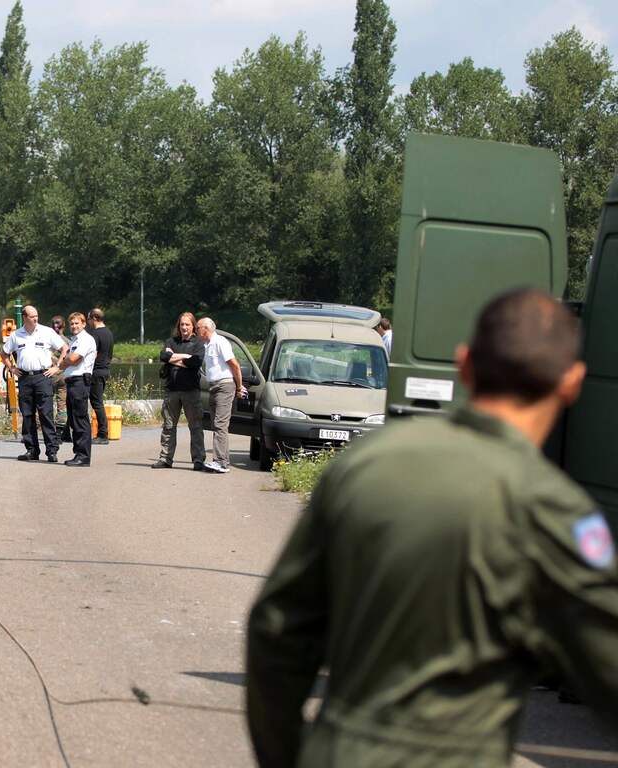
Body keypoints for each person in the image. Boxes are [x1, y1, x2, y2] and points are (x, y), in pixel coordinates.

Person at [246, 288, 618, 768]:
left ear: (465, 365)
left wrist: (290, 757)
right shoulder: (555, 509)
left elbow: (277, 632)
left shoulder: (364, 465)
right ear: (572, 383)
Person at [0, 305, 66, 463]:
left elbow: (64, 348)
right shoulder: (16, 335)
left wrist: (57, 367)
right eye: (32, 316)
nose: (36, 319)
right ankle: (32, 450)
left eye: (37, 315)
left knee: (46, 414)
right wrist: (11, 368)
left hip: (42, 376)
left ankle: (51, 451)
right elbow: (4, 353)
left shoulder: (46, 332)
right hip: (24, 378)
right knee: (28, 415)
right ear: (24, 318)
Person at [153, 312, 207, 470]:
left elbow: (195, 362)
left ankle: (198, 460)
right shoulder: (171, 341)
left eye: (187, 324)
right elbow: (164, 356)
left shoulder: (198, 343)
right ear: (179, 326)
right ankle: (165, 459)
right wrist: (184, 357)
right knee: (168, 426)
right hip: (172, 391)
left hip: (191, 391)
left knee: (195, 426)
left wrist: (174, 357)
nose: (184, 327)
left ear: (193, 326)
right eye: (182, 324)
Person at [196, 317, 247, 474]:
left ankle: (221, 462)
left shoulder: (220, 342)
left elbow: (234, 365)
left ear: (206, 329)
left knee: (220, 424)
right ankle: (220, 460)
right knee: (216, 424)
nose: (196, 331)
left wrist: (239, 387)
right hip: (214, 386)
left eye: (197, 328)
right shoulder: (207, 344)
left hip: (224, 385)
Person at [57, 312, 97, 467]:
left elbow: (73, 359)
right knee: (74, 420)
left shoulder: (86, 339)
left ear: (84, 324)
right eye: (72, 323)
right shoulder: (75, 341)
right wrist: (67, 360)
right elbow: (70, 360)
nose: (74, 326)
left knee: (80, 420)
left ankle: (83, 456)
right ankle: (78, 453)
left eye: (77, 323)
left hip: (80, 382)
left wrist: (66, 361)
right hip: (72, 382)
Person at [87, 308, 114, 445]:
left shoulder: (95, 334)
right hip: (105, 370)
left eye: (89, 319)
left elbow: (93, 353)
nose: (88, 322)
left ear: (94, 318)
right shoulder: (109, 333)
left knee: (97, 403)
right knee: (96, 401)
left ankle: (103, 434)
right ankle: (68, 431)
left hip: (96, 371)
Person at [50, 315, 69, 441]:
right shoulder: (68, 340)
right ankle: (60, 432)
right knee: (62, 404)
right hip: (64, 376)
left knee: (46, 403)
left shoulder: (50, 340)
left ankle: (51, 431)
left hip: (50, 375)